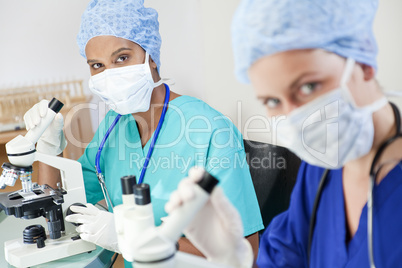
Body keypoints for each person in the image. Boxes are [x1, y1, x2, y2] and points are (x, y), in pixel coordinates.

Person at [23, 0, 263, 266]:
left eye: (122, 58)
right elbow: (61, 207)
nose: (110, 74)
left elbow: (246, 253)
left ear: (150, 57)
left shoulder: (210, 130)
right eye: (97, 66)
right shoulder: (114, 126)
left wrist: (136, 240)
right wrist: (48, 150)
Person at [165, 0, 402, 267]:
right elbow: (283, 258)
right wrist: (236, 259)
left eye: (308, 86)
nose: (294, 117)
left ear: (363, 61)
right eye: (272, 101)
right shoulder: (320, 168)